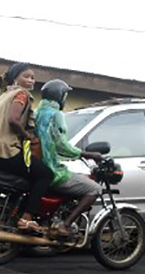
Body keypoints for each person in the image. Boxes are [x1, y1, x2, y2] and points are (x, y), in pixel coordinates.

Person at [0, 62, 54, 232]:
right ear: (15, 78)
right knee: (45, 174)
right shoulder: (21, 94)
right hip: (4, 151)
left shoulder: (4, 95)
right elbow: (13, 120)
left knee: (27, 177)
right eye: (26, 76)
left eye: (33, 78)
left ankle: (11, 213)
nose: (31, 80)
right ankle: (27, 218)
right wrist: (26, 135)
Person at [34, 79, 103, 238]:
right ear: (59, 96)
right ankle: (65, 225)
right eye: (65, 95)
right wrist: (87, 154)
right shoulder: (56, 114)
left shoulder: (37, 112)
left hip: (37, 165)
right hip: (51, 168)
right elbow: (61, 145)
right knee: (94, 189)